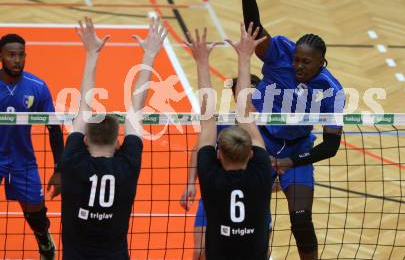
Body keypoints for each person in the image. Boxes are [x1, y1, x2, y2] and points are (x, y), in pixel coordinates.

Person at [232, 0, 345, 260]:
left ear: (322, 63)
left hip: (298, 149)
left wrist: (291, 162)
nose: (297, 66)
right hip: (263, 141)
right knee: (253, 217)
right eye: (295, 59)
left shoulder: (331, 91)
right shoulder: (280, 51)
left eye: (305, 62)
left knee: (300, 220)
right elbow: (254, 26)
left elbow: (331, 146)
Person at [61, 17, 167, 259]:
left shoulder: (73, 161)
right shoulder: (126, 165)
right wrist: (149, 55)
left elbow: (83, 110)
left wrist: (92, 54)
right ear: (118, 141)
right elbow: (135, 112)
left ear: (85, 139)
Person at [187, 23, 272, 260]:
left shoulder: (211, 178)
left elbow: (207, 122)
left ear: (218, 154)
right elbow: (245, 115)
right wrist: (245, 58)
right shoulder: (262, 174)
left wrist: (202, 62)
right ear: (251, 154)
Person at [179, 74, 263, 260]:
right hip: (216, 193)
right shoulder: (223, 121)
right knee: (199, 252)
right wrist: (190, 183)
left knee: (258, 251)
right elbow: (198, 148)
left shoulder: (268, 124)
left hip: (251, 199)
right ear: (235, 95)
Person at [0, 34, 64, 259]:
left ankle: (44, 239)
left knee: (36, 214)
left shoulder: (37, 87)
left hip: (22, 159)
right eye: (11, 55)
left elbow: (54, 128)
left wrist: (59, 169)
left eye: (21, 55)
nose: (16, 60)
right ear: (1, 56)